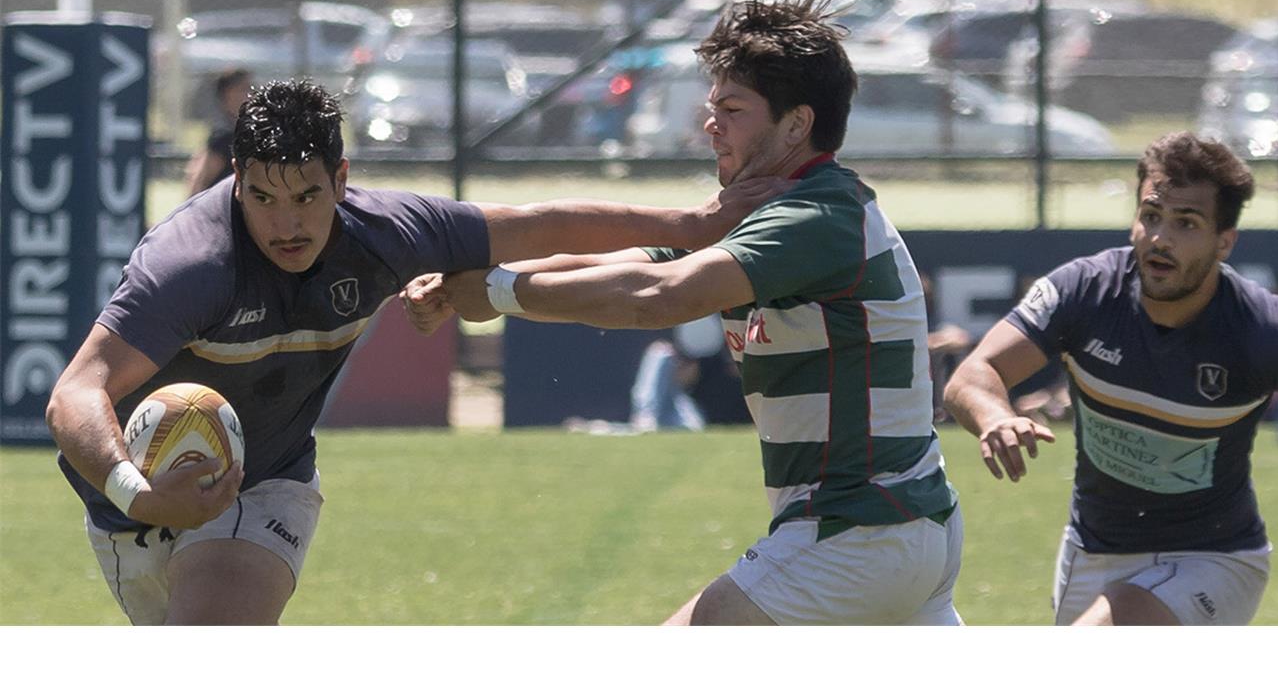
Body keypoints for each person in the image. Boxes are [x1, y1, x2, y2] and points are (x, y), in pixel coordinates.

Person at [45, 78, 783, 626]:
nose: (287, 222)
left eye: (306, 194)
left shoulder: (384, 231)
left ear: (341, 178)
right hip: (127, 508)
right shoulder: (191, 264)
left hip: (264, 484)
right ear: (238, 184)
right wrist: (140, 494)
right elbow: (77, 393)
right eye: (264, 198)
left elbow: (533, 224)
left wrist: (694, 222)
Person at [405, 0, 963, 626]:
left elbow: (655, 298)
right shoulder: (770, 211)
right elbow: (625, 266)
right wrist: (476, 286)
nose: (710, 125)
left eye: (732, 109)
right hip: (907, 526)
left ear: (797, 123)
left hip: (858, 530)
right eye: (712, 107)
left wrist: (500, 293)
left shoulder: (813, 216)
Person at [942, 131, 1278, 626]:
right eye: (1151, 216)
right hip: (1092, 549)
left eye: (1186, 223)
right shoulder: (1082, 293)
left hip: (1214, 557)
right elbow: (973, 375)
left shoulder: (1267, 329)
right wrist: (996, 415)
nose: (1160, 238)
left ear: (1224, 242)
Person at [184, 67, 253, 197]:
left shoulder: (249, 132)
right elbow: (200, 180)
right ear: (228, 94)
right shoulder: (223, 137)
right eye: (244, 89)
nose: (250, 94)